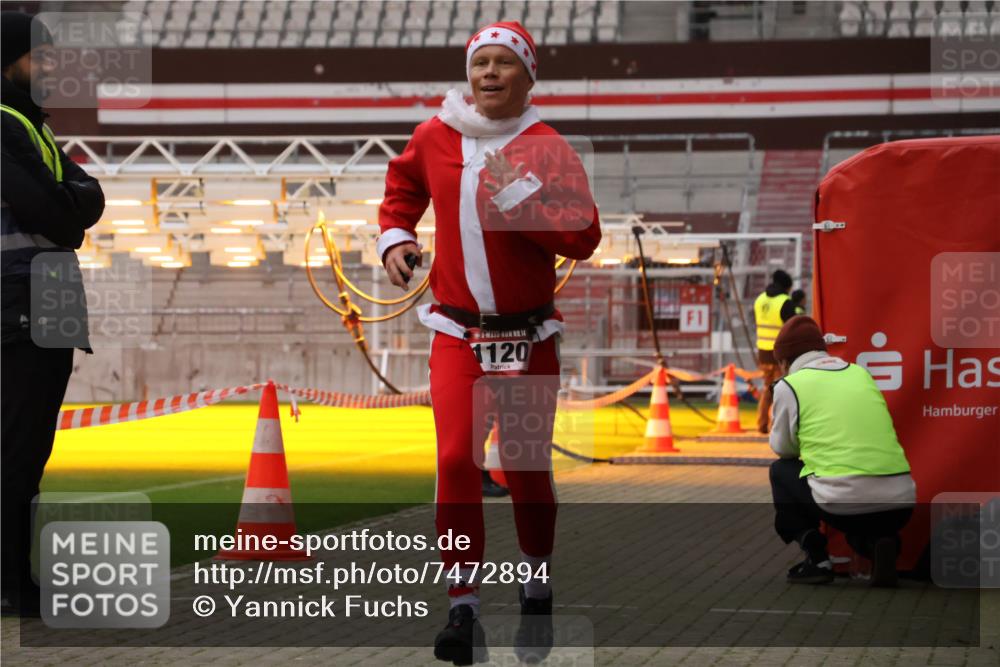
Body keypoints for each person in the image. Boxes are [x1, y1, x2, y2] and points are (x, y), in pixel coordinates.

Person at [377, 21, 600, 665]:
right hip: (455, 334)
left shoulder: (547, 146)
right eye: (481, 64)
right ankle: (463, 609)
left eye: (506, 64)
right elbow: (401, 194)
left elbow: (584, 237)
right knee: (454, 463)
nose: (491, 74)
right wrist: (397, 239)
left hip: (527, 337)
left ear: (529, 77)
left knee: (526, 470)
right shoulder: (435, 134)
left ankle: (536, 582)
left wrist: (519, 197)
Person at [1, 11, 104, 616]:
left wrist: (72, 202)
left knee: (32, 451)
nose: (50, 69)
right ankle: (13, 584)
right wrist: (72, 203)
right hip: (21, 301)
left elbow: (86, 198)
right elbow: (60, 210)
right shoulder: (8, 125)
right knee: (17, 451)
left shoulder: (31, 127)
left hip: (48, 302)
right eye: (41, 58)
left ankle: (18, 580)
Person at [767, 316, 916, 587]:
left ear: (785, 361)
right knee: (863, 523)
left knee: (780, 471)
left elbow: (783, 449)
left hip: (843, 503)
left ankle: (817, 558)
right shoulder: (860, 373)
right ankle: (879, 545)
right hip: (901, 502)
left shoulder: (791, 385)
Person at [753, 269, 796, 433]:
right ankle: (776, 426)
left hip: (763, 352)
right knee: (781, 390)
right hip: (780, 354)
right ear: (787, 286)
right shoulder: (785, 302)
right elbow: (792, 328)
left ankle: (761, 424)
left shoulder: (760, 299)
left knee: (767, 388)